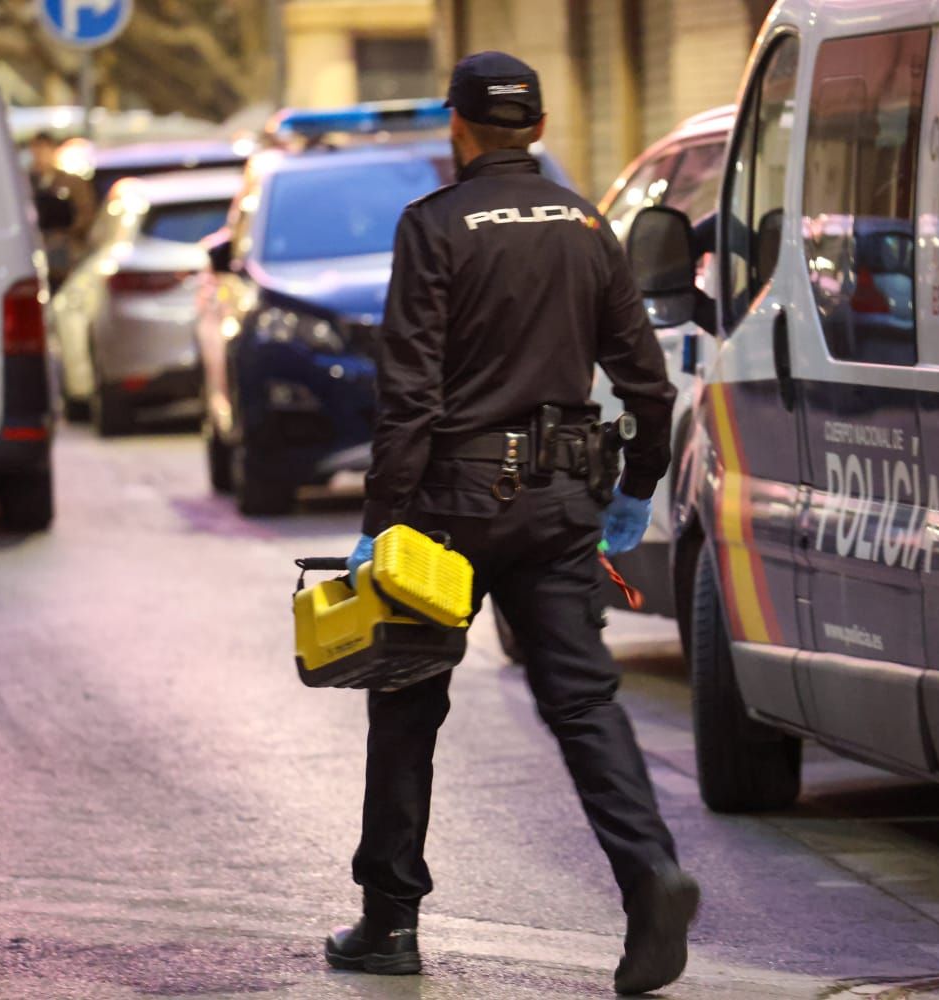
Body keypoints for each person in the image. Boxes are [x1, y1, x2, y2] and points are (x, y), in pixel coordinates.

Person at [324, 52, 699, 996]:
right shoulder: (587, 226)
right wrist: (635, 486)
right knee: (583, 702)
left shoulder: (434, 227)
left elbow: (408, 393)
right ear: (533, 126)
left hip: (450, 505)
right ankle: (651, 875)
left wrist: (381, 521)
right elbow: (648, 383)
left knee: (408, 702)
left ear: (458, 127)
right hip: (562, 502)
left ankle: (390, 924)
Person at [26, 131, 94, 289]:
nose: (41, 155)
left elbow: (86, 214)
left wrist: (65, 232)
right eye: (37, 149)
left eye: (44, 149)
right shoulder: (25, 182)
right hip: (33, 246)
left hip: (62, 247)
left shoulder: (72, 182)